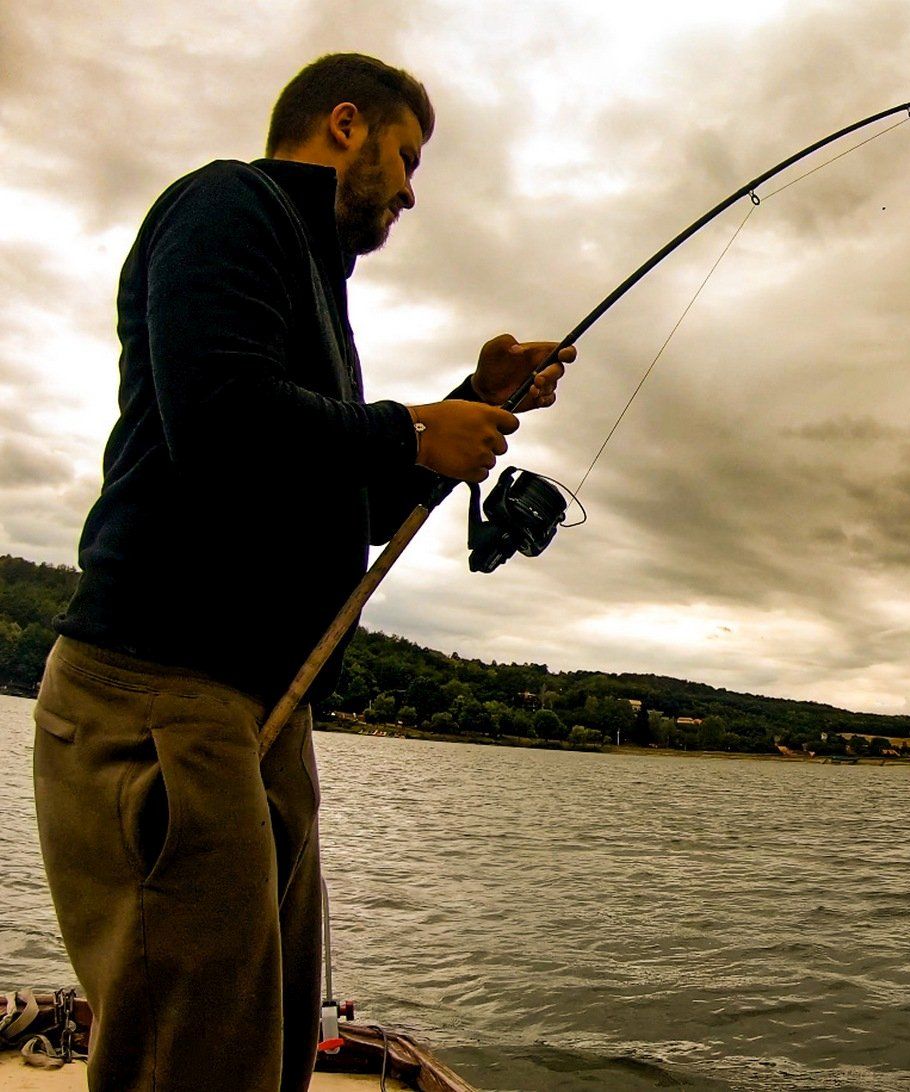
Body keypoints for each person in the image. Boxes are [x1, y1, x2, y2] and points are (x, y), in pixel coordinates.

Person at [31, 53, 572, 1091]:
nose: (413, 188)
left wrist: (469, 400)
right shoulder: (227, 206)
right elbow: (221, 420)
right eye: (407, 158)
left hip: (258, 715)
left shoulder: (319, 291)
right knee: (195, 1063)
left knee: (269, 1050)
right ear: (342, 126)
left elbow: (351, 501)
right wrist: (412, 427)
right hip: (160, 692)